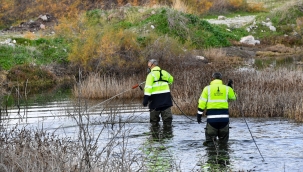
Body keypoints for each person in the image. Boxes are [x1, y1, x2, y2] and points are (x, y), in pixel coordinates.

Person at [197, 72, 236, 145]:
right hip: (224, 120)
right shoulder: (227, 88)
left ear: (212, 78)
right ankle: (223, 155)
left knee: (210, 144)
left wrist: (199, 115)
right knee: (224, 145)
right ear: (221, 79)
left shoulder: (207, 88)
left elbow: (202, 103)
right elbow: (234, 97)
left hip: (212, 120)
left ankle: (212, 154)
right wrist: (231, 88)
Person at [143, 59, 174, 128]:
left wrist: (145, 99)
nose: (148, 67)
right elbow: (171, 80)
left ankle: (155, 136)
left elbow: (148, 88)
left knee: (154, 123)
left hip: (154, 101)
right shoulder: (165, 73)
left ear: (152, 65)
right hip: (166, 99)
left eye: (149, 66)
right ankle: (168, 136)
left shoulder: (150, 75)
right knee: (167, 122)